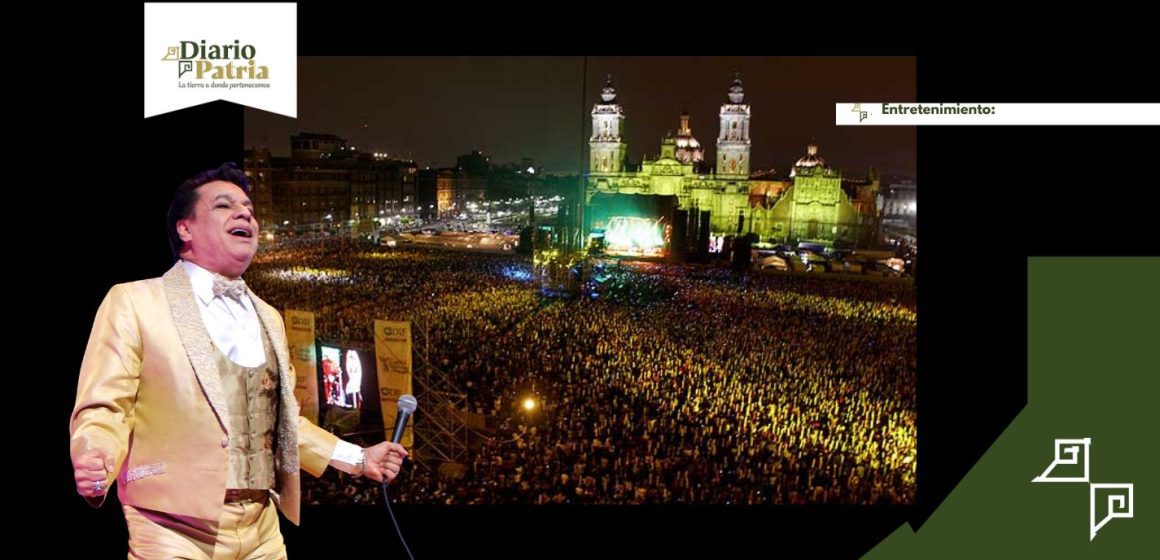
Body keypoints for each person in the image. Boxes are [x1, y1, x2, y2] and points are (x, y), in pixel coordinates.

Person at [69, 163, 408, 558]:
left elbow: (283, 422)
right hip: (170, 526)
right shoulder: (134, 301)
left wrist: (359, 458)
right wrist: (95, 452)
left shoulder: (270, 317)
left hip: (262, 526)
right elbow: (106, 406)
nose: (245, 213)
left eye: (249, 207)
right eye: (224, 205)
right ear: (185, 228)